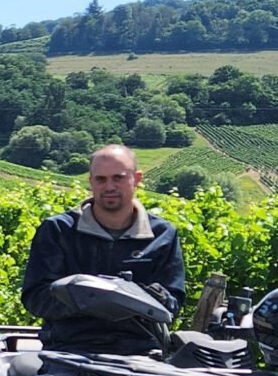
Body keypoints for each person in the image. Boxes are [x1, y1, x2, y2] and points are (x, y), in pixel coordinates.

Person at [21, 143, 186, 354]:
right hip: (69, 350)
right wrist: (90, 298)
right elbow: (36, 299)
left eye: (118, 177)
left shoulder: (163, 234)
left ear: (136, 179)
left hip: (141, 353)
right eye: (101, 179)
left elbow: (173, 305)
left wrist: (142, 297)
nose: (109, 186)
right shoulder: (59, 230)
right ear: (91, 182)